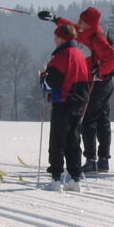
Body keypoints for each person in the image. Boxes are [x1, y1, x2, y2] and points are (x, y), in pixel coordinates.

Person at [38, 7, 114, 173]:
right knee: (103, 120)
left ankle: (91, 160)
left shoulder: (96, 38)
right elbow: (72, 28)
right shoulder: (89, 32)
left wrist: (100, 71)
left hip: (98, 84)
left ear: (89, 23)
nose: (79, 23)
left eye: (82, 21)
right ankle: (103, 160)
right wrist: (55, 19)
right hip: (105, 84)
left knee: (89, 121)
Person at [41, 24, 90, 192]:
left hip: (63, 102)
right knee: (73, 141)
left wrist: (43, 77)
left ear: (63, 38)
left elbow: (51, 82)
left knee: (57, 141)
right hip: (79, 102)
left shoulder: (62, 56)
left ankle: (56, 179)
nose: (54, 40)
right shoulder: (79, 54)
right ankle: (75, 178)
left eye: (56, 36)